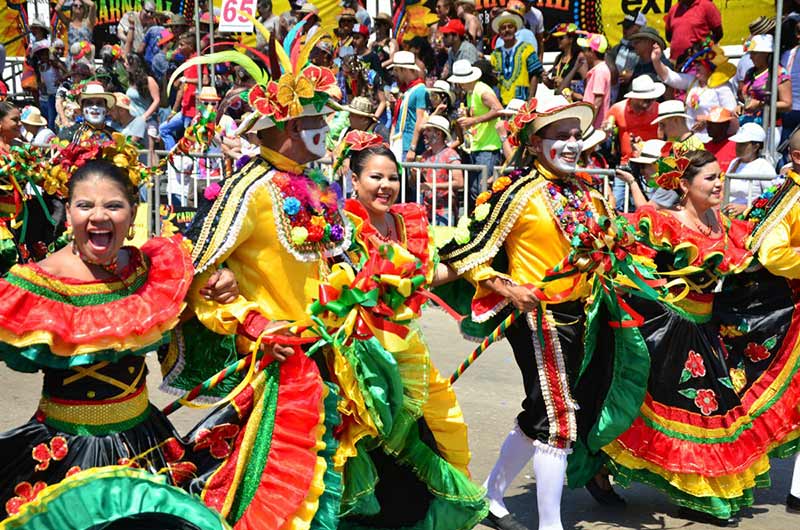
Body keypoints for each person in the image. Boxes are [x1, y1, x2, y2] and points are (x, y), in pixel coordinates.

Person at [0, 149, 250, 527]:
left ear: (132, 215)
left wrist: (221, 283)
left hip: (145, 441)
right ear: (68, 214)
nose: (99, 216)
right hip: (66, 451)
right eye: (85, 205)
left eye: (113, 206)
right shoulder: (32, 285)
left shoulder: (150, 272)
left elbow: (202, 304)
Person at [173, 45, 348, 529]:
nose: (327, 131)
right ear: (293, 127)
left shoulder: (315, 184)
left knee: (318, 466)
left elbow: (335, 260)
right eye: (320, 122)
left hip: (324, 348)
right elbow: (195, 266)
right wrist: (239, 305)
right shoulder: (247, 189)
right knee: (265, 477)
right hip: (272, 359)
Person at [438, 95, 621, 530]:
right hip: (538, 318)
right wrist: (506, 286)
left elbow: (607, 244)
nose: (573, 144)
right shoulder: (516, 194)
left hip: (584, 314)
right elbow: (467, 252)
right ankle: (551, 525)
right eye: (561, 136)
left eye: (576, 135)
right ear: (536, 144)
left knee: (542, 413)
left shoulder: (586, 192)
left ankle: (492, 495)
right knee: (556, 421)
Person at [331, 133, 487, 527]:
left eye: (392, 178)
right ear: (354, 179)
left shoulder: (407, 222)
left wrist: (482, 264)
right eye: (375, 178)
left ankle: (440, 511)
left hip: (410, 348)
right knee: (378, 446)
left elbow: (425, 276)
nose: (385, 186)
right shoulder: (342, 228)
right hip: (365, 354)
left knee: (445, 425)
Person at [651, 41, 737, 142]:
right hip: (691, 139)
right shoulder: (693, 81)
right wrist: (656, 60)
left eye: (700, 64)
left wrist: (707, 120)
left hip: (712, 140)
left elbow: (730, 113)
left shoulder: (722, 87)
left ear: (710, 67)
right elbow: (670, 78)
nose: (696, 67)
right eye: (695, 63)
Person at [449, 59, 503, 207]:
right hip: (477, 147)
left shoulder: (482, 91)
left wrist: (474, 120)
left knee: (482, 191)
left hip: (488, 147)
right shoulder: (471, 92)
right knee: (475, 191)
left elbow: (498, 109)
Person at [417, 115, 464, 224]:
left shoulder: (451, 155)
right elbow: (415, 183)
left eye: (428, 130)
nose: (424, 133)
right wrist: (415, 174)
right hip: (426, 210)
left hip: (444, 212)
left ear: (438, 134)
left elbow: (460, 182)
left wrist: (432, 186)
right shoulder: (425, 155)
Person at [490, 11, 543, 105]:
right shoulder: (495, 54)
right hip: (502, 103)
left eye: (510, 27)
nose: (507, 30)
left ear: (515, 29)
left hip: (522, 102)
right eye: (503, 28)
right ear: (499, 32)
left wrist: (531, 99)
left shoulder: (527, 49)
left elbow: (535, 74)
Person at [723, 122, 775, 215]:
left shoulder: (764, 167)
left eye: (743, 144)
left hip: (749, 220)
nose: (738, 147)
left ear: (756, 146)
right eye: (738, 143)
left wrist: (747, 208)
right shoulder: (734, 162)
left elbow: (772, 198)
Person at [739, 34, 792, 125]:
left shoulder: (779, 73)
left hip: (769, 127)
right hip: (748, 124)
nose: (751, 57)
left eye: (754, 53)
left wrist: (761, 105)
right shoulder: (750, 72)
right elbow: (748, 98)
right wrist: (741, 107)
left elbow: (787, 105)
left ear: (766, 54)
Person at [613, 138, 678, 210]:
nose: (641, 171)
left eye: (643, 166)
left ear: (658, 166)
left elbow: (645, 211)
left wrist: (632, 181)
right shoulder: (669, 182)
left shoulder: (670, 185)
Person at [389, 51, 429, 163]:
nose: (394, 73)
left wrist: (412, 148)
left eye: (396, 70)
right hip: (399, 142)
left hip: (409, 144)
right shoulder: (406, 90)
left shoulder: (420, 89)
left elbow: (419, 120)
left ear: (404, 69)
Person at [664, 0, 723, 67]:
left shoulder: (706, 6)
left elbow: (718, 34)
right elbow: (669, 37)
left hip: (699, 64)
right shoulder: (673, 10)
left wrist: (701, 45)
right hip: (675, 64)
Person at [575, 33, 611, 129]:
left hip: (596, 127)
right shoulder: (599, 69)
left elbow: (598, 101)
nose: (584, 53)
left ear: (592, 51)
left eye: (586, 50)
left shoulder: (600, 71)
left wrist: (589, 125)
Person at [608, 10, 646, 96]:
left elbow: (653, 71)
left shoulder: (648, 50)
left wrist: (634, 75)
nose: (624, 30)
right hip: (617, 95)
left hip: (637, 94)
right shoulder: (617, 49)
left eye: (628, 27)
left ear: (639, 28)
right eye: (624, 26)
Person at [543, 23, 582, 96]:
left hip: (574, 100)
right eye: (557, 38)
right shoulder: (558, 58)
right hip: (560, 100)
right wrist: (547, 81)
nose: (558, 40)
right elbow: (553, 86)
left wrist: (565, 81)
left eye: (561, 38)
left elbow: (586, 82)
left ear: (571, 39)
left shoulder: (579, 57)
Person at [124, 54, 160, 128]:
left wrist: (144, 116)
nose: (124, 65)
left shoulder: (149, 80)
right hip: (132, 122)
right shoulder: (130, 81)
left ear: (134, 65)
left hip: (147, 122)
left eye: (127, 63)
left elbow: (157, 100)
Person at [704, 106, 739, 172]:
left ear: (725, 125)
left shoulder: (736, 147)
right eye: (708, 123)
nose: (708, 126)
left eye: (713, 124)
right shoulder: (704, 147)